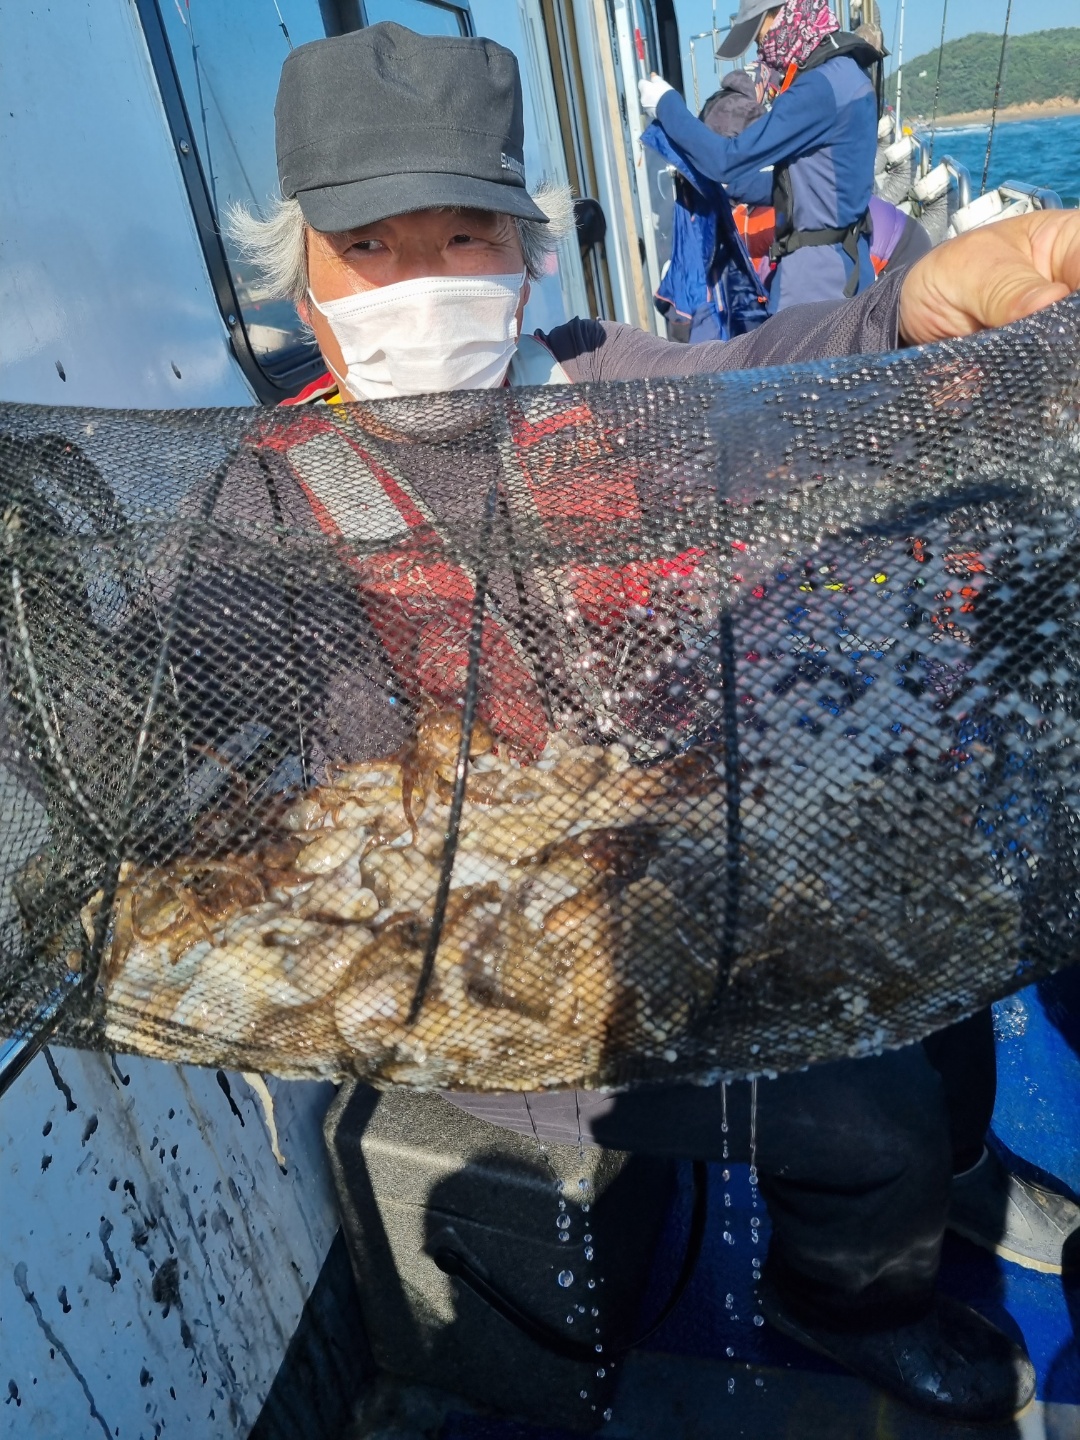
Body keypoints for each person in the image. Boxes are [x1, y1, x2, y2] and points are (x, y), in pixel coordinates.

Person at [229, 20, 1080, 1424]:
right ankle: (846, 1296)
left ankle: (959, 1171)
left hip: (674, 866)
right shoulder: (267, 498)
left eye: (464, 236)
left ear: (525, 254)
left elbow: (780, 371)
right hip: (497, 975)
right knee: (859, 1116)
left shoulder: (591, 382)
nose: (420, 285)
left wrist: (907, 309)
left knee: (935, 946)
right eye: (369, 246)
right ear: (301, 277)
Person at [639, 0, 880, 310]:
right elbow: (818, 187)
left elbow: (726, 160)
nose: (760, 48)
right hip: (852, 265)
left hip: (816, 285)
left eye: (759, 34)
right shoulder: (849, 72)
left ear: (784, 12)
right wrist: (733, 188)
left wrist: (665, 104)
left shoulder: (816, 88)